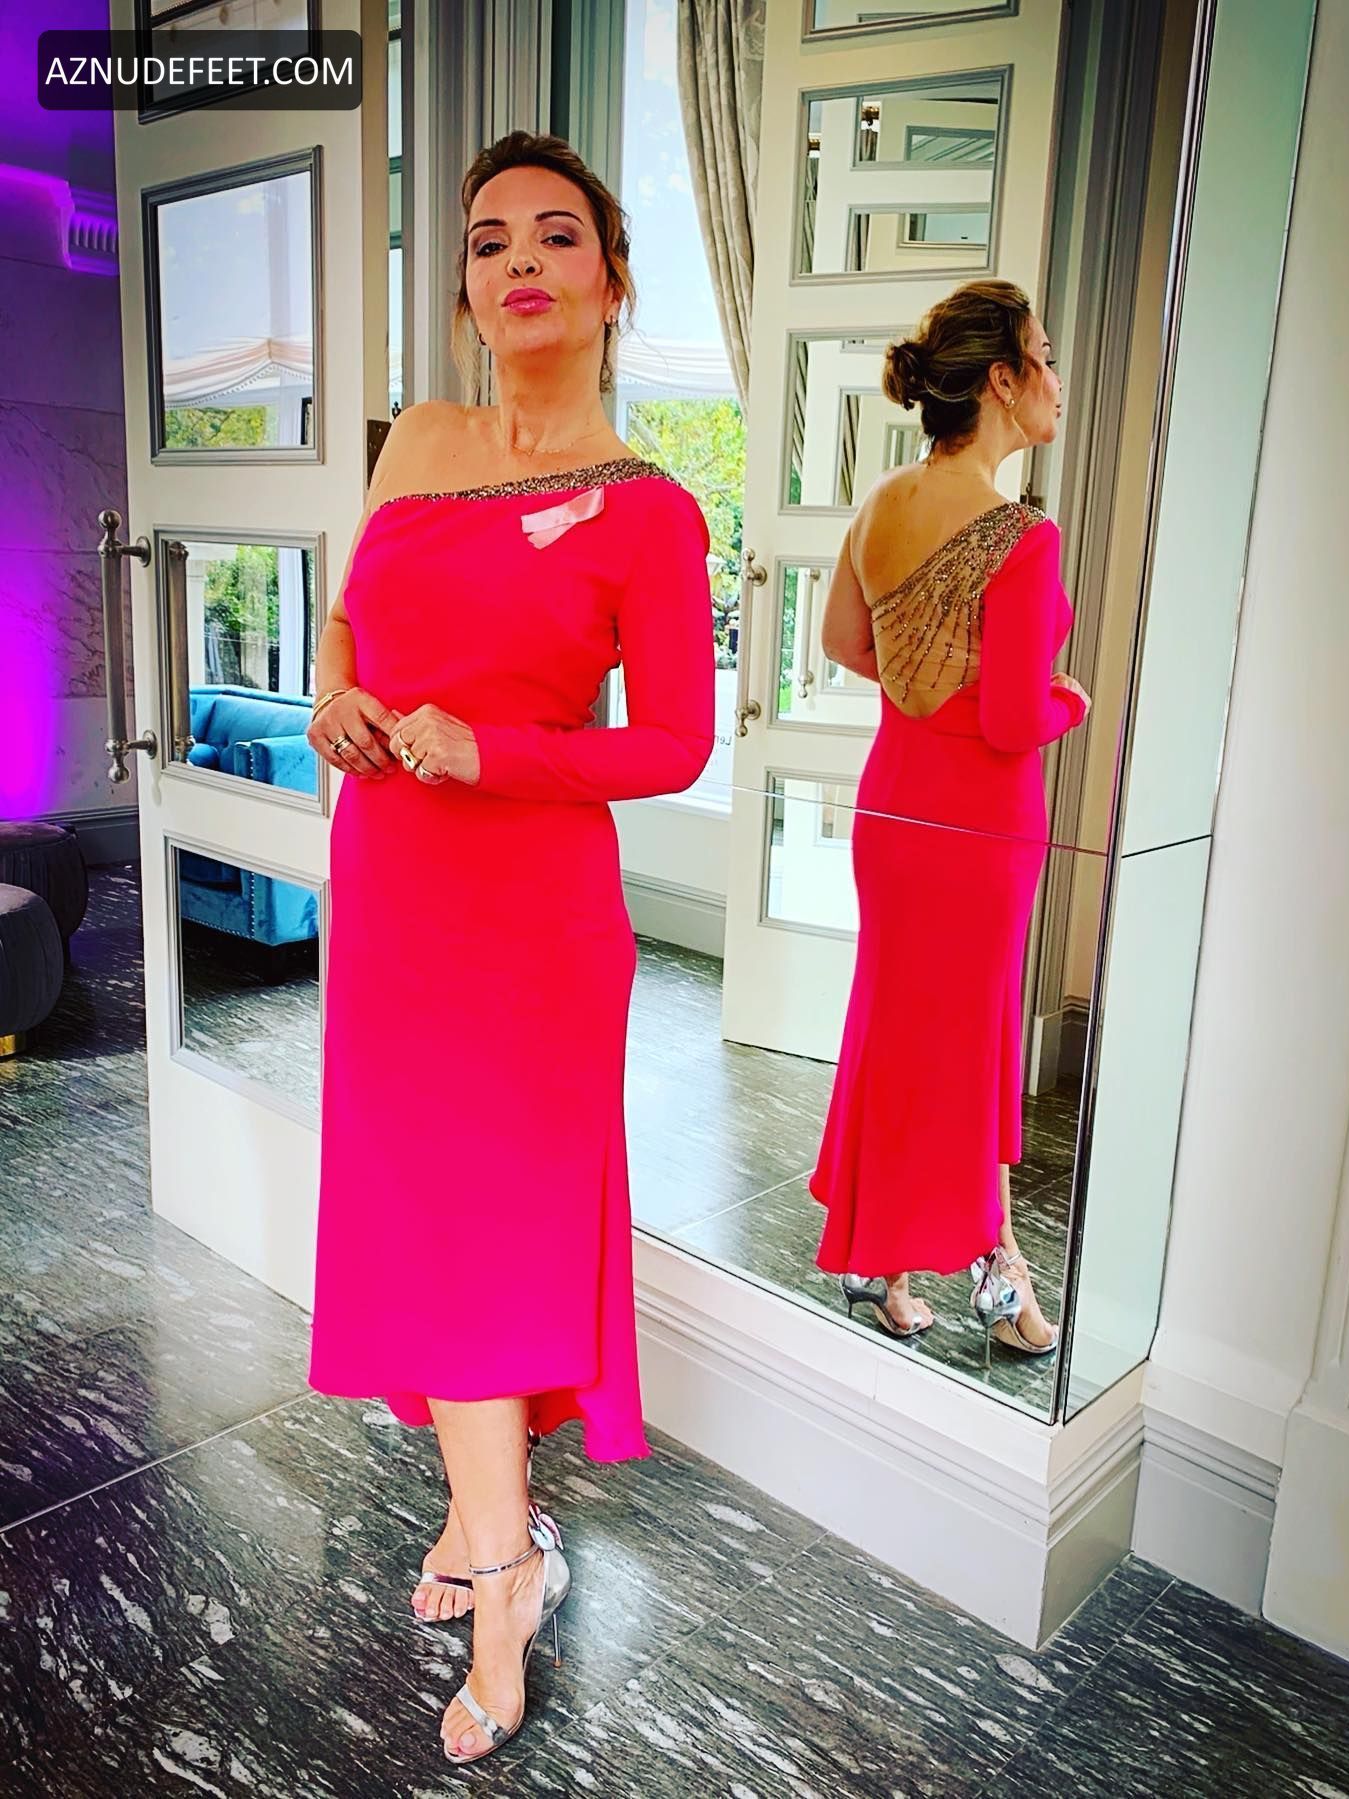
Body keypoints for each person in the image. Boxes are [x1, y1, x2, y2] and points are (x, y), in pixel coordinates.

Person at [305, 131, 715, 1767]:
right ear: (468, 291)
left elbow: (674, 741)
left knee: (489, 1242)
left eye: (558, 234)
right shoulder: (420, 437)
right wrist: (335, 695)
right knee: (430, 1228)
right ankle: (501, 1520)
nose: (521, 259)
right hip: (393, 884)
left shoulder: (652, 508)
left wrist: (497, 749)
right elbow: (351, 613)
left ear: (612, 281)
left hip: (532, 914)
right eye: (489, 242)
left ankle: (501, 1575)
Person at [809, 279, 1089, 1358]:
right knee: (970, 1049)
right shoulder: (1022, 535)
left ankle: (879, 1263)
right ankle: (1000, 1274)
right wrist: (1070, 698)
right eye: (1045, 358)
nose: (1057, 379)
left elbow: (844, 641)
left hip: (896, 804)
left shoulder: (884, 501)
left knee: (896, 1031)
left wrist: (927, 689)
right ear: (1003, 381)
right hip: (980, 823)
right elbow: (1017, 719)